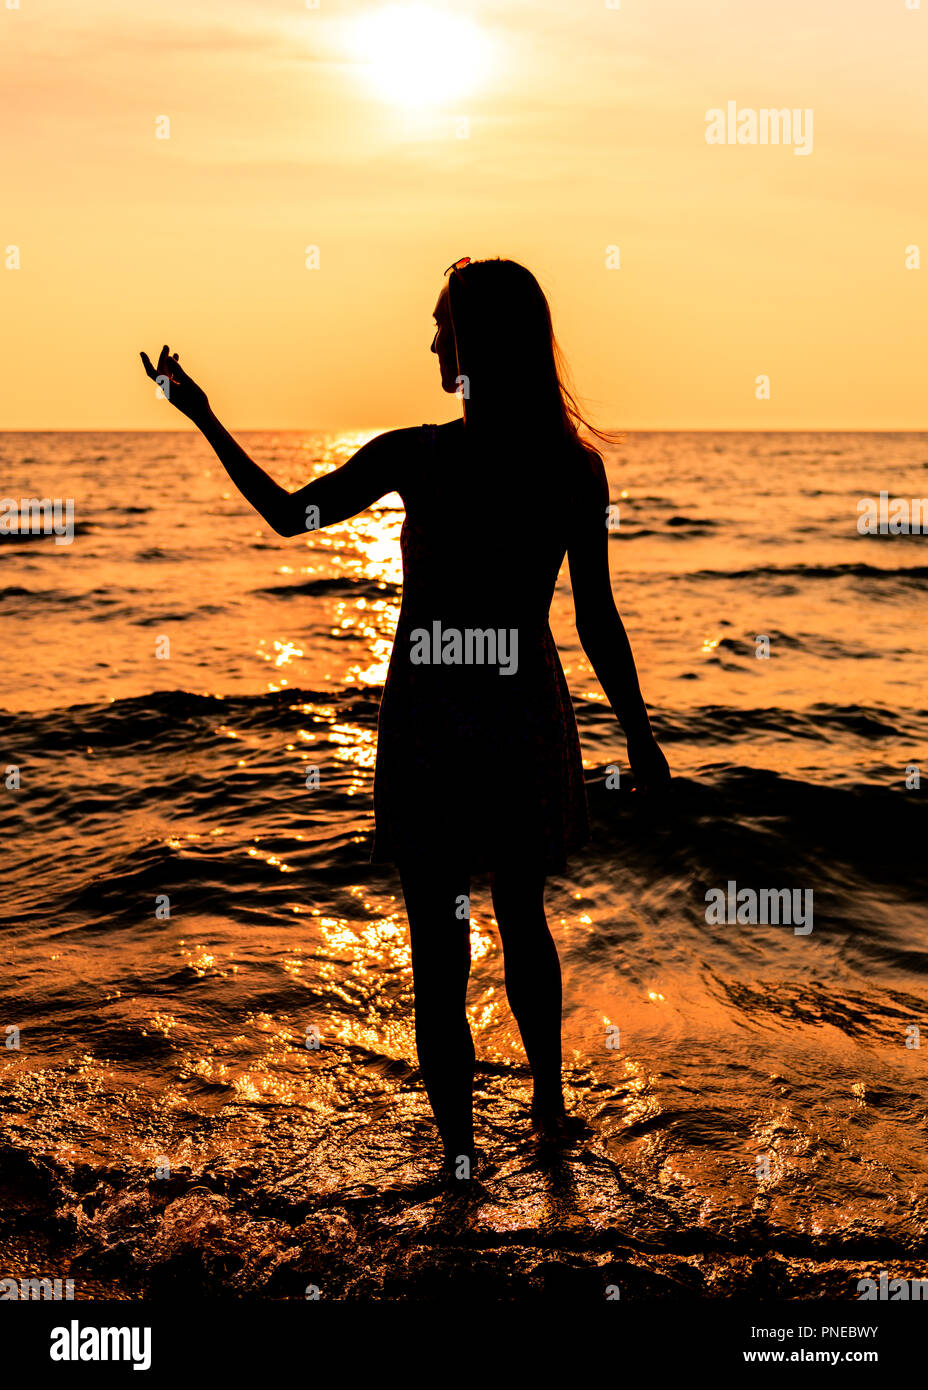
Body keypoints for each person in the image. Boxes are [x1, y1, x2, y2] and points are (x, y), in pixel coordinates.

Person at [140, 256, 670, 1180]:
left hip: (433, 723)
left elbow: (287, 515)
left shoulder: (418, 455)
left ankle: (461, 1163)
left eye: (440, 324)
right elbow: (595, 620)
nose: (429, 339)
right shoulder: (568, 468)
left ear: (472, 340)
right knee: (523, 915)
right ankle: (549, 1116)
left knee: (439, 942)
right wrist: (639, 733)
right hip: (520, 711)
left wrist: (202, 416)